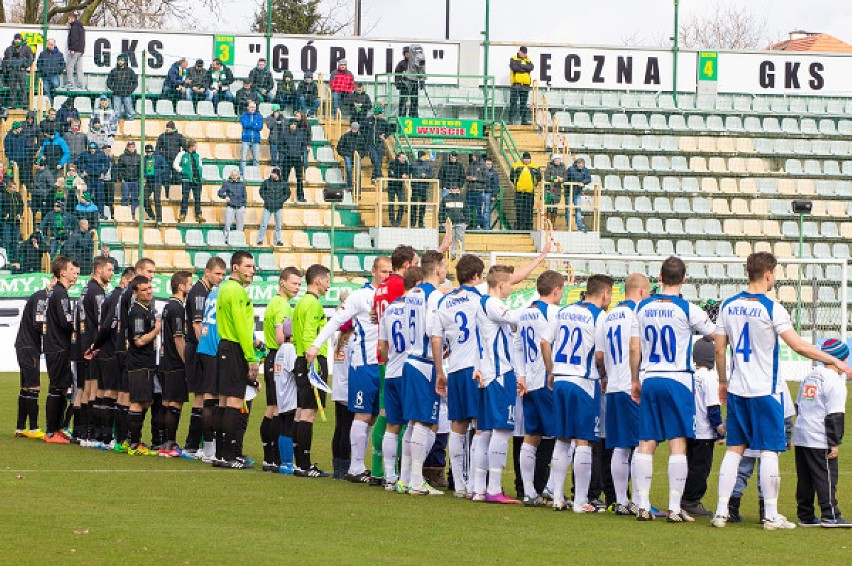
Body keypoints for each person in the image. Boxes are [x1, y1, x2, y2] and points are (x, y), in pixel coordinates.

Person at [712, 252, 852, 530]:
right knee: (768, 451)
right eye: (774, 273)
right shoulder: (772, 308)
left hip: (738, 389)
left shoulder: (728, 305)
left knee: (734, 450)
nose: (774, 278)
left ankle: (721, 512)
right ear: (767, 274)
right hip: (765, 391)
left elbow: (719, 348)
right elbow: (798, 346)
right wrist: (833, 359)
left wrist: (723, 381)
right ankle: (770, 515)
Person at [628, 257, 716, 522]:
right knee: (678, 442)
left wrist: (635, 379)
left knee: (646, 441)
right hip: (678, 379)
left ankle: (642, 504)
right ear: (684, 279)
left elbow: (635, 348)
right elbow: (714, 335)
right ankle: (675, 508)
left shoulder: (642, 307)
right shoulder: (688, 309)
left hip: (651, 378)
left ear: (660, 277)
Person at [306, 257, 392, 483]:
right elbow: (336, 321)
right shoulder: (360, 296)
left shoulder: (392, 296)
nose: (386, 275)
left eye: (390, 271)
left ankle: (368, 466)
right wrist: (316, 344)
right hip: (363, 363)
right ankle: (355, 467)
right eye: (383, 271)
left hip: (385, 364)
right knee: (362, 414)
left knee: (375, 417)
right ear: (373, 271)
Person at [544, 274, 613, 512]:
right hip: (583, 381)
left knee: (562, 438)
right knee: (584, 440)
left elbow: (545, 342)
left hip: (561, 379)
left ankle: (557, 496)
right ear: (605, 294)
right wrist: (603, 374)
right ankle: (581, 500)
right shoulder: (599, 316)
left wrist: (551, 371)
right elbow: (600, 355)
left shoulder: (563, 311)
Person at [595, 272, 650, 516]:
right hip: (630, 386)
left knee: (619, 446)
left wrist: (607, 375)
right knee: (640, 443)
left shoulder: (608, 317)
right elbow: (634, 346)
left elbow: (600, 355)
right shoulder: (635, 313)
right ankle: (639, 501)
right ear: (641, 291)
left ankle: (620, 500)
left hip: (613, 387)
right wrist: (635, 377)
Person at [398, 251, 450, 496]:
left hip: (409, 360)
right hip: (425, 363)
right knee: (425, 421)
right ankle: (416, 480)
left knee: (413, 421)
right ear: (438, 269)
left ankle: (405, 478)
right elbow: (435, 335)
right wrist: (440, 370)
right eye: (445, 265)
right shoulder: (435, 296)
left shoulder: (412, 294)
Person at [511, 270, 565, 505]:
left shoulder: (524, 314)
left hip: (529, 383)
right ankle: (551, 488)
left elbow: (517, 347)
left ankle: (529, 491)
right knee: (564, 435)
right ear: (556, 291)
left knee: (531, 436)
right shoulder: (555, 312)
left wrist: (520, 375)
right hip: (546, 381)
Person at [794, 338, 850, 528]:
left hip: (802, 433)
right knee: (826, 476)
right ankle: (830, 514)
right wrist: (834, 443)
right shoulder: (835, 382)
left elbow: (798, 404)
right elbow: (834, 415)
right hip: (819, 436)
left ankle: (806, 514)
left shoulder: (809, 376)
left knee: (805, 478)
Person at [376, 266, 422, 488]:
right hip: (410, 372)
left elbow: (382, 346)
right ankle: (411, 478)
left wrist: (389, 360)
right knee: (415, 425)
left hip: (391, 371)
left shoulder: (390, 309)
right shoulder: (416, 308)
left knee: (392, 426)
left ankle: (389, 477)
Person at [215, 251, 260, 469]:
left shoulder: (225, 289)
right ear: (235, 268)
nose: (252, 271)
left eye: (253, 267)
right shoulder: (238, 292)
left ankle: (221, 454)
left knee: (224, 401)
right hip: (234, 348)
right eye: (248, 266)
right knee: (233, 401)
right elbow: (243, 327)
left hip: (224, 346)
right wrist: (251, 357)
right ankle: (229, 455)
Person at [183, 257, 227, 459]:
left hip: (200, 348)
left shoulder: (206, 291)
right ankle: (195, 444)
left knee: (202, 397)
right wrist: (207, 347)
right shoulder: (200, 292)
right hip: (201, 348)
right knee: (203, 397)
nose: (220, 277)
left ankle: (196, 444)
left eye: (223, 274)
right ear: (206, 272)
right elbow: (196, 325)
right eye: (217, 273)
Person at [291, 264, 332, 478]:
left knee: (301, 411)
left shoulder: (301, 303)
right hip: (311, 360)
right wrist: (313, 364)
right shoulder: (313, 305)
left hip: (300, 358)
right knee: (308, 413)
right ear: (317, 281)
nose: (328, 284)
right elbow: (309, 334)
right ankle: (304, 465)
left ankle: (300, 462)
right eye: (327, 280)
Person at [261, 267, 301, 472]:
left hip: (271, 358)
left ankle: (270, 457)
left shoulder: (273, 303)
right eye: (294, 283)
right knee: (281, 410)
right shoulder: (283, 307)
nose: (297, 287)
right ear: (282, 282)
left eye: (299, 284)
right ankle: (277, 458)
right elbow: (280, 337)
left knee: (271, 409)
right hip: (279, 357)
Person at [681, 336, 725, 517]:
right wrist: (719, 430)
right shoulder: (709, 378)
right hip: (704, 431)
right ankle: (691, 500)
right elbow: (713, 408)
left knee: (686, 464)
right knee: (700, 468)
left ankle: (680, 496)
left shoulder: (687, 375)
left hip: (687, 429)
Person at [157, 271, 194, 457]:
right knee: (175, 403)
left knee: (166, 403)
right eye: (190, 284)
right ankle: (170, 444)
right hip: (175, 362)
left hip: (164, 361)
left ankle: (164, 442)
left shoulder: (167, 306)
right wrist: (187, 362)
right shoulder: (178, 308)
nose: (191, 287)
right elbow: (179, 339)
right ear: (181, 286)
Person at [43, 256, 80, 443]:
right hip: (57, 347)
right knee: (57, 388)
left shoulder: (57, 293)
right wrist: (80, 326)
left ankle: (56, 429)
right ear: (62, 272)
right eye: (72, 269)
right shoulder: (60, 294)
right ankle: (51, 431)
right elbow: (66, 322)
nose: (75, 273)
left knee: (60, 387)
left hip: (55, 346)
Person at [124, 275, 160, 455]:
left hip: (146, 363)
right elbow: (138, 341)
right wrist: (157, 329)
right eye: (144, 290)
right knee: (137, 402)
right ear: (135, 292)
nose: (148, 292)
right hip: (139, 363)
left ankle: (133, 440)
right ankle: (133, 443)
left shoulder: (146, 309)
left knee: (144, 401)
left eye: (150, 288)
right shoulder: (138, 312)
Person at [14, 279, 54, 439]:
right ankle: (33, 429)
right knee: (33, 387)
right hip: (29, 347)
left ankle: (20, 427)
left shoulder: (41, 297)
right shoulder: (42, 298)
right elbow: (38, 323)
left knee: (26, 388)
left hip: (25, 345)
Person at [174, 139, 204, 224]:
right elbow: (175, 164)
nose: (196, 147)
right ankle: (183, 214)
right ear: (191, 146)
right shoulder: (182, 154)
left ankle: (198, 214)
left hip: (197, 179)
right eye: (195, 146)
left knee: (197, 198)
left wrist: (200, 173)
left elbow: (200, 165)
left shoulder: (197, 155)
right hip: (187, 180)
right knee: (185, 197)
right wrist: (182, 170)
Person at [156, 121, 188, 199]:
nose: (167, 129)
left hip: (175, 161)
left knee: (176, 178)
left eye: (169, 127)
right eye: (167, 127)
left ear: (173, 128)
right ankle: (166, 195)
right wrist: (160, 157)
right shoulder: (162, 136)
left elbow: (185, 148)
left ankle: (175, 196)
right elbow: (157, 148)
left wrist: (180, 157)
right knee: (165, 179)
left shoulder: (179, 136)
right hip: (165, 161)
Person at [77, 142, 109, 217]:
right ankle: (85, 212)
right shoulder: (85, 154)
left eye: (94, 149)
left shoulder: (101, 154)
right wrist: (82, 170)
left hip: (98, 178)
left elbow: (107, 163)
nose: (92, 150)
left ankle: (100, 213)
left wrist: (103, 173)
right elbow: (79, 162)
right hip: (88, 178)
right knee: (86, 195)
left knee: (100, 196)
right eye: (91, 149)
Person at [257, 168, 288, 246]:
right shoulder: (266, 182)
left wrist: (281, 201)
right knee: (264, 224)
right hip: (268, 206)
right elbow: (261, 191)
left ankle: (278, 240)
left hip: (278, 206)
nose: (271, 174)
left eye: (273, 173)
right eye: (272, 173)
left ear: (277, 175)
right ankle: (260, 240)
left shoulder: (283, 183)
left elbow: (287, 193)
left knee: (278, 225)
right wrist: (266, 199)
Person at [510, 152, 540, 231]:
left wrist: (533, 186)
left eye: (528, 158)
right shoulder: (516, 166)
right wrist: (518, 185)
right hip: (519, 192)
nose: (526, 160)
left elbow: (539, 178)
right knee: (519, 209)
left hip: (530, 192)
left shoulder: (535, 167)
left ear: (530, 159)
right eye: (525, 158)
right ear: (522, 158)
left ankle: (528, 226)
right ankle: (519, 226)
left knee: (529, 210)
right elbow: (512, 177)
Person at [280, 118, 308, 203]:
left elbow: (304, 144)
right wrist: (286, 152)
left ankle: (300, 196)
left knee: (299, 179)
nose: (293, 126)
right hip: (288, 158)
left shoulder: (301, 134)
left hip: (297, 158)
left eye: (294, 124)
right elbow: (280, 145)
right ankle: (282, 195)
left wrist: (300, 152)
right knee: (284, 178)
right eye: (291, 124)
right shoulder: (284, 133)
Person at [3, 33, 34, 109]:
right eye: (16, 39)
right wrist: (6, 68)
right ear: (14, 39)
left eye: (18, 39)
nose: (17, 40)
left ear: (21, 39)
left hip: (21, 70)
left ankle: (24, 105)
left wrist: (25, 66)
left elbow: (31, 59)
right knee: (12, 88)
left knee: (23, 88)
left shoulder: (26, 48)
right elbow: (5, 59)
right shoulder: (8, 49)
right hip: (12, 71)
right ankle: (12, 105)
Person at [218, 169, 247, 245]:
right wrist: (225, 197)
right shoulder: (227, 183)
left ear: (238, 176)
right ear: (231, 175)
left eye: (236, 175)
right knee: (227, 224)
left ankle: (239, 240)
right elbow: (219, 192)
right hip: (230, 207)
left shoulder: (242, 184)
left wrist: (244, 206)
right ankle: (225, 240)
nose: (234, 176)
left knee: (240, 225)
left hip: (240, 207)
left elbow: (245, 195)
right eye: (233, 175)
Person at [142, 144, 169, 226]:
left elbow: (165, 167)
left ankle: (159, 219)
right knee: (144, 198)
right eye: (147, 152)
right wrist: (146, 174)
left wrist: (156, 172)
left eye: (150, 151)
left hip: (157, 182)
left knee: (157, 200)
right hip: (149, 182)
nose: (149, 153)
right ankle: (151, 215)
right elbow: (142, 170)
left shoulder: (159, 158)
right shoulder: (144, 159)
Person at [107, 54, 138, 121]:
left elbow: (135, 82)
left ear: (125, 61)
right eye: (119, 60)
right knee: (116, 113)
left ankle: (130, 127)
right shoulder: (114, 71)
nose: (120, 62)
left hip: (127, 95)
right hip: (116, 95)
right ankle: (115, 128)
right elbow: (108, 82)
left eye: (122, 60)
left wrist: (130, 90)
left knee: (129, 112)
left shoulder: (130, 71)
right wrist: (114, 89)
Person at [364, 106, 391, 182]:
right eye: (381, 113)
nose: (382, 114)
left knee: (379, 161)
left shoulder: (383, 121)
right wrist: (366, 141)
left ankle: (374, 177)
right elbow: (363, 131)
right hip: (370, 144)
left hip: (379, 144)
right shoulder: (368, 120)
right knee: (375, 160)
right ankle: (379, 175)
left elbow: (389, 130)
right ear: (377, 113)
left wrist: (384, 136)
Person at [336, 122, 366, 190]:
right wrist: (344, 154)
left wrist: (361, 155)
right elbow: (339, 147)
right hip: (348, 155)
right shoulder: (345, 136)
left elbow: (364, 149)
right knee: (349, 169)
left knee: (358, 171)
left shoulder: (360, 138)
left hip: (357, 156)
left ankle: (358, 187)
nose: (355, 130)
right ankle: (349, 186)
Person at [509, 46, 533, 125]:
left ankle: (524, 120)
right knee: (513, 103)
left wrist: (521, 66)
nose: (523, 54)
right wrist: (525, 68)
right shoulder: (513, 58)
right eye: (522, 52)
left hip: (525, 86)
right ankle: (510, 120)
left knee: (524, 104)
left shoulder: (528, 60)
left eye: (524, 53)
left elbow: (531, 67)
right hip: (516, 85)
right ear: (519, 51)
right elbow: (514, 68)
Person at [565, 157, 591, 233]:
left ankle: (579, 226)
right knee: (568, 209)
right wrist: (577, 182)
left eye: (582, 164)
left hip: (577, 192)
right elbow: (568, 178)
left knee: (578, 209)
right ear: (577, 164)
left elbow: (589, 178)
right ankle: (569, 226)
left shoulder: (585, 170)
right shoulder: (570, 169)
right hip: (568, 192)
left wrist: (583, 182)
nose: (581, 166)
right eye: (579, 164)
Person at [116, 141, 141, 219]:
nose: (131, 148)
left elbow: (141, 169)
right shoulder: (122, 157)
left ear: (135, 147)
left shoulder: (139, 157)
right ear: (127, 147)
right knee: (125, 198)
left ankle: (134, 214)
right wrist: (121, 178)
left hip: (136, 181)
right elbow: (119, 168)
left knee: (135, 198)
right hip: (125, 181)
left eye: (132, 147)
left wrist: (139, 178)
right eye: (130, 147)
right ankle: (124, 214)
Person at [37, 38, 65, 104]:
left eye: (52, 44)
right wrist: (43, 70)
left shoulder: (59, 54)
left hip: (54, 75)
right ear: (47, 44)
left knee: (56, 84)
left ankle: (54, 98)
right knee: (46, 90)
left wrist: (57, 71)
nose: (50, 46)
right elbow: (39, 64)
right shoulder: (43, 54)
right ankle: (50, 104)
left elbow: (63, 65)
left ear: (54, 44)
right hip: (45, 76)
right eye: (49, 44)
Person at [386, 152, 411, 227]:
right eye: (402, 158)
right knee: (391, 204)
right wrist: (400, 175)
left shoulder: (406, 164)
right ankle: (392, 221)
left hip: (400, 186)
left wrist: (397, 174)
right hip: (391, 185)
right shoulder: (392, 163)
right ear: (398, 157)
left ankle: (398, 221)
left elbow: (407, 174)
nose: (404, 159)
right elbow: (390, 174)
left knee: (402, 204)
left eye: (404, 158)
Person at [395, 46, 420, 118]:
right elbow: (397, 74)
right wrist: (397, 83)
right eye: (406, 53)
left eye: (409, 53)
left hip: (414, 83)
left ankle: (413, 115)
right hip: (404, 84)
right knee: (403, 101)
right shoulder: (401, 63)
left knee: (414, 100)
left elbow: (420, 72)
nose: (408, 55)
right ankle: (402, 115)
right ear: (404, 54)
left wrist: (422, 81)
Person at [0, 180, 23, 258]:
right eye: (13, 188)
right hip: (6, 222)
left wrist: (20, 214)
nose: (15, 189)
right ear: (8, 188)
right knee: (5, 241)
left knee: (15, 242)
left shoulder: (18, 195)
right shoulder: (3, 196)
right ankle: (4, 259)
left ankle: (15, 259)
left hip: (16, 222)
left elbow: (21, 206)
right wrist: (5, 214)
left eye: (15, 188)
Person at [410, 150, 434, 228]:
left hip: (424, 187)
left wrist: (426, 175)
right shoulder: (413, 164)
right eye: (423, 156)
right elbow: (408, 172)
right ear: (420, 156)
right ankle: (412, 222)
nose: (424, 157)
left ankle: (421, 222)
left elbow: (432, 174)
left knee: (423, 206)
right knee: (414, 205)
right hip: (415, 187)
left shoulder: (428, 165)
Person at [239, 101, 263, 176]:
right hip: (246, 139)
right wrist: (254, 123)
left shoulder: (259, 116)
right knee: (243, 158)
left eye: (254, 107)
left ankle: (256, 174)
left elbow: (260, 127)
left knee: (256, 159)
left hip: (256, 140)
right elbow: (245, 125)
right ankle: (242, 174)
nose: (252, 109)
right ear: (248, 107)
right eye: (251, 107)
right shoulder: (243, 116)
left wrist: (250, 124)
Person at [544, 154, 567, 228]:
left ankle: (553, 223)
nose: (557, 161)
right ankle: (548, 223)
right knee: (548, 206)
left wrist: (561, 179)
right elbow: (546, 177)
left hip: (557, 189)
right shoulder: (549, 167)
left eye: (558, 159)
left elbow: (566, 177)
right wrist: (554, 178)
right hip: (549, 188)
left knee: (555, 206)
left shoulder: (563, 168)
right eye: (556, 159)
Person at [443, 185, 466, 258]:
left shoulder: (462, 198)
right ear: (450, 189)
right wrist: (442, 221)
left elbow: (467, 210)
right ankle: (452, 253)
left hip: (461, 222)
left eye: (455, 188)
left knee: (460, 237)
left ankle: (461, 253)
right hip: (450, 223)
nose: (454, 190)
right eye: (452, 188)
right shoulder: (445, 199)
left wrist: (467, 222)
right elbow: (442, 211)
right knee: (451, 238)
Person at [4, 121, 28, 189]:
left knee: (23, 178)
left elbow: (26, 147)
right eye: (19, 127)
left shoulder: (22, 136)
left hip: (23, 161)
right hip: (14, 162)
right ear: (15, 128)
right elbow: (7, 150)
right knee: (13, 178)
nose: (21, 129)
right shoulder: (8, 138)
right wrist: (11, 160)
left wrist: (25, 156)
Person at [463, 153, 486, 227]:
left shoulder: (483, 166)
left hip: (479, 190)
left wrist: (476, 179)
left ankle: (479, 224)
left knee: (479, 209)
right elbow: (466, 175)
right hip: (470, 190)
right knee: (468, 208)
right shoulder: (470, 166)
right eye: (472, 156)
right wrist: (468, 178)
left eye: (474, 156)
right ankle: (468, 224)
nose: (473, 157)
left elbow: (486, 178)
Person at [65, 13, 85, 89]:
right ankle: (80, 83)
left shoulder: (74, 27)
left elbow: (74, 38)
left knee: (70, 66)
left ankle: (70, 82)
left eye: (69, 19)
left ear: (73, 19)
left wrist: (72, 49)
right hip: (80, 50)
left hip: (75, 50)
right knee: (79, 67)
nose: (68, 21)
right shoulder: (81, 27)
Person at [480, 157, 499, 230]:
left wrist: (494, 195)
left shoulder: (494, 173)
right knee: (480, 210)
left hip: (489, 193)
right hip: (481, 192)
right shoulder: (481, 172)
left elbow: (496, 184)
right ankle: (481, 225)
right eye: (487, 164)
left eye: (490, 164)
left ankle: (486, 227)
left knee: (487, 210)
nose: (489, 165)